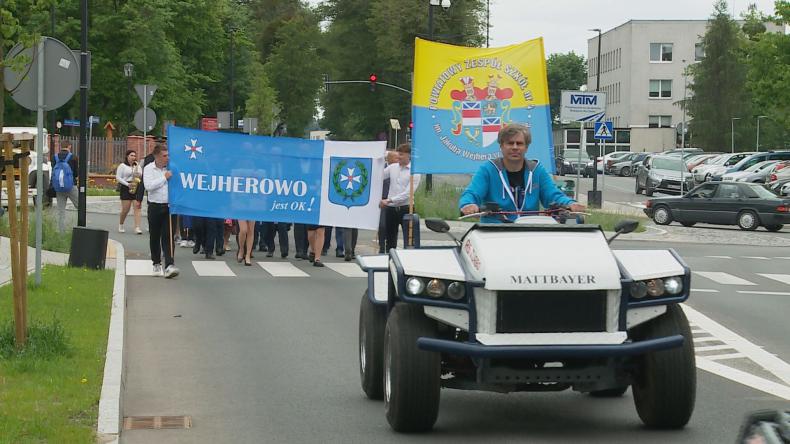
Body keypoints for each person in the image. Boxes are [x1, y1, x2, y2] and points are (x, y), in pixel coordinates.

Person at [459, 123, 585, 223]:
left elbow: (552, 195)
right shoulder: (488, 169)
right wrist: (468, 204)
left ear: (526, 147)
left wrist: (570, 204)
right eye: (510, 143)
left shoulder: (536, 170)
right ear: (501, 146)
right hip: (494, 230)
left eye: (519, 143)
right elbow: (472, 193)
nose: (515, 147)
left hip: (528, 230)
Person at [143, 143, 180, 278]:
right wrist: (164, 177)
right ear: (157, 156)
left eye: (168, 155)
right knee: (154, 236)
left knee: (168, 236)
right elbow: (149, 186)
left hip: (169, 207)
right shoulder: (148, 168)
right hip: (155, 205)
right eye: (164, 156)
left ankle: (169, 264)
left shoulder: (172, 168)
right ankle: (156, 263)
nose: (167, 158)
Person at [381, 143, 421, 252]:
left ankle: (409, 259)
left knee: (409, 239)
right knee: (390, 239)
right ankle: (390, 258)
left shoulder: (414, 171)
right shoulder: (392, 167)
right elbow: (379, 176)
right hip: (391, 209)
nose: (398, 157)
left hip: (406, 209)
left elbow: (408, 193)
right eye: (398, 154)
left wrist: (389, 200)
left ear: (409, 155)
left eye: (401, 154)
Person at [52, 141, 79, 233]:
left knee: (61, 211)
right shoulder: (73, 157)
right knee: (80, 207)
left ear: (61, 146)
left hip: (59, 187)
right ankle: (80, 228)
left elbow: (53, 172)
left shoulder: (55, 157)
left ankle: (61, 232)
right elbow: (76, 173)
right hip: (71, 186)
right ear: (69, 146)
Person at [115, 149, 143, 234]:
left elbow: (141, 175)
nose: (133, 157)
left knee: (137, 207)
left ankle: (137, 227)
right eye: (131, 155)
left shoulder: (137, 166)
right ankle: (121, 224)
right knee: (125, 209)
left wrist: (138, 175)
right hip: (126, 187)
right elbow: (118, 177)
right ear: (127, 156)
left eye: (134, 156)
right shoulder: (122, 166)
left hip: (136, 186)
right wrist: (127, 184)